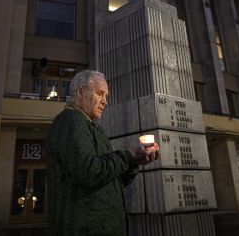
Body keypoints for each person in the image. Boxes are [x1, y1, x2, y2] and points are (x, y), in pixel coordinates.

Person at [46, 70, 159, 236]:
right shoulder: (70, 121)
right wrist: (128, 155)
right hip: (85, 228)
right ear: (80, 92)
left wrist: (135, 162)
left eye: (106, 96)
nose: (104, 101)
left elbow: (113, 181)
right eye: (100, 93)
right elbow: (88, 172)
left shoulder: (94, 128)